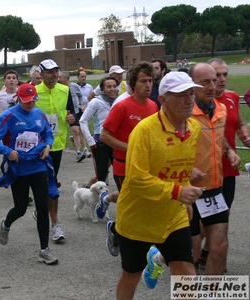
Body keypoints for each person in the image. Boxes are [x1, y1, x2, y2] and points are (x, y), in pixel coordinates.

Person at [114, 71, 204, 300]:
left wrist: (182, 195)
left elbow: (181, 167)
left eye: (191, 93)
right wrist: (178, 191)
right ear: (163, 99)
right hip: (137, 218)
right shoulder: (144, 131)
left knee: (187, 276)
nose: (189, 99)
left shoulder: (194, 128)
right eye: (181, 95)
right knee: (131, 276)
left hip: (173, 216)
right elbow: (135, 179)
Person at [0, 83, 58, 265]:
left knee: (42, 207)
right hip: (18, 167)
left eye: (33, 101)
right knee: (21, 208)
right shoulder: (8, 116)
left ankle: (44, 250)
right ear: (18, 98)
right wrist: (7, 151)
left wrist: (48, 146)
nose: (30, 104)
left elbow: (48, 134)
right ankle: (6, 224)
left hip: (38, 166)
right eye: (26, 101)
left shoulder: (39, 114)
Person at [196, 58, 250, 270]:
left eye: (224, 75)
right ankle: (164, 257)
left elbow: (235, 124)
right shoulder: (186, 108)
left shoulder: (231, 99)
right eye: (215, 76)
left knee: (221, 226)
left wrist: (240, 137)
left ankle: (210, 256)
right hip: (199, 174)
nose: (220, 80)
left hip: (226, 168)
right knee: (197, 230)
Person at [188, 63, 241, 275]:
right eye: (205, 82)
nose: (213, 85)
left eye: (215, 80)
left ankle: (212, 295)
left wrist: (229, 151)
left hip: (214, 187)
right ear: (192, 85)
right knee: (189, 253)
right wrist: (188, 168)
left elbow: (216, 140)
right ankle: (157, 257)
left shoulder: (221, 109)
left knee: (220, 246)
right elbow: (163, 148)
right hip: (187, 190)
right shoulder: (181, 111)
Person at [97, 61, 159, 217]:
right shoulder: (122, 107)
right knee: (133, 207)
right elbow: (104, 136)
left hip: (147, 165)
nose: (148, 85)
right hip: (124, 165)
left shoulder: (153, 106)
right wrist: (131, 147)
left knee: (144, 203)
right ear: (132, 84)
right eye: (143, 81)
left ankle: (107, 198)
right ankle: (115, 231)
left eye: (150, 81)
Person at [34, 59, 76, 242]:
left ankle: (46, 213)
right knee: (46, 185)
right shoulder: (33, 93)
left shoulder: (65, 90)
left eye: (56, 71)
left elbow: (71, 112)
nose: (54, 75)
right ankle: (54, 224)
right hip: (37, 146)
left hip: (57, 144)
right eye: (50, 72)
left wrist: (72, 119)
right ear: (41, 74)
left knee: (50, 183)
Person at [80, 77, 118, 189]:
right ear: (102, 89)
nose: (113, 89)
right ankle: (99, 203)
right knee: (101, 175)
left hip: (116, 141)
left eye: (114, 86)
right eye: (109, 87)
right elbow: (83, 120)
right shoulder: (96, 102)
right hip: (100, 143)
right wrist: (91, 141)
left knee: (120, 173)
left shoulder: (119, 101)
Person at [59, 71, 90, 162]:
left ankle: (84, 149)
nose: (58, 79)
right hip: (67, 112)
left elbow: (80, 96)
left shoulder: (74, 86)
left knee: (80, 131)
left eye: (60, 77)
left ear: (66, 78)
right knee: (76, 131)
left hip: (76, 111)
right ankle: (78, 153)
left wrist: (81, 105)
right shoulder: (58, 87)